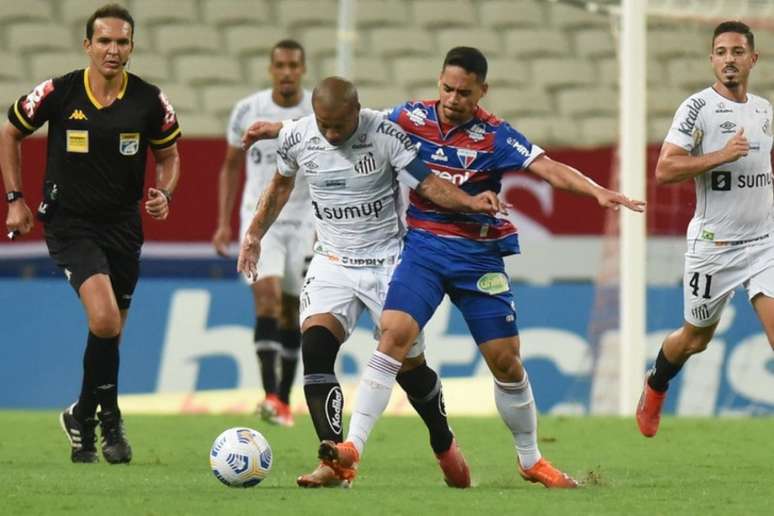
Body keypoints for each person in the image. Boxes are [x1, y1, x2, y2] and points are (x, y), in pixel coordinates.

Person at [310, 47, 645, 488]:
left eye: (464, 92)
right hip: (423, 252)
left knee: (506, 363)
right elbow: (352, 119)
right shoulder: (409, 117)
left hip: (478, 259)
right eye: (447, 88)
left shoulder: (496, 135)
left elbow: (548, 168)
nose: (452, 99)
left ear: (482, 92)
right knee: (392, 333)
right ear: (438, 83)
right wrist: (281, 130)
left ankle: (531, 460)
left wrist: (597, 191)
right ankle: (352, 447)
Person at [238, 76, 501, 488]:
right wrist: (254, 234)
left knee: (410, 371)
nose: (329, 133)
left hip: (387, 263)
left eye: (338, 126)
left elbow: (429, 184)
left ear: (357, 110)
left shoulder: (384, 134)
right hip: (332, 261)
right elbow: (281, 185)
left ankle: (443, 440)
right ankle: (333, 459)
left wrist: (470, 202)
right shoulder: (300, 136)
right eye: (322, 124)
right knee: (316, 348)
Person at [0, 3, 181, 464]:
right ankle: (111, 418)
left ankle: (81, 414)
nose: (113, 50)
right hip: (70, 222)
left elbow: (169, 156)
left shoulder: (149, 100)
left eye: (122, 42)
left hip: (123, 226)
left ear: (132, 47)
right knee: (104, 320)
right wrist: (15, 199)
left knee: (110, 334)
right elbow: (9, 133)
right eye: (104, 41)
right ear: (88, 45)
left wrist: (165, 191)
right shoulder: (59, 92)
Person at [637, 21, 774, 437]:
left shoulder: (765, 109)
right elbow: (664, 169)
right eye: (721, 52)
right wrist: (720, 155)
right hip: (715, 246)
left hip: (765, 243)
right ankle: (656, 384)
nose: (729, 59)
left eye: (737, 51)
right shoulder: (697, 108)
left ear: (753, 59)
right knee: (696, 339)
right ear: (712, 60)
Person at [212, 40, 313, 427]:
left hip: (305, 221)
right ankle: (270, 395)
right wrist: (224, 222)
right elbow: (229, 167)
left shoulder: (313, 112)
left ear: (302, 69)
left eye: (293, 65)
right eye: (280, 65)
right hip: (260, 218)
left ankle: (284, 399)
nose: (286, 72)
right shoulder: (247, 110)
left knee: (292, 310)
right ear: (271, 69)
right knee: (267, 301)